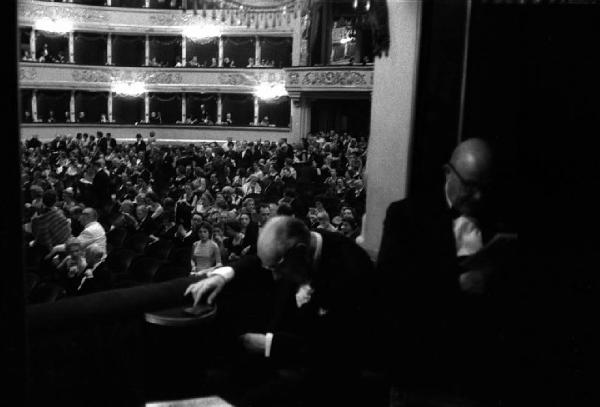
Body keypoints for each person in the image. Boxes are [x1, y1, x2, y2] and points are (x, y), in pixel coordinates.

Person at [184, 216, 378, 406]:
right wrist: (222, 276)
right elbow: (259, 260)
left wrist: (268, 344)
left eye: (277, 268)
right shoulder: (303, 241)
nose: (275, 277)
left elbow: (334, 345)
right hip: (287, 347)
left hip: (324, 372)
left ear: (299, 252)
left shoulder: (351, 272)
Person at [376, 138, 511, 402]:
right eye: (470, 187)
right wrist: (457, 284)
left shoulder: (498, 217)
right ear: (448, 173)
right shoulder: (407, 216)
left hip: (479, 370)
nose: (479, 196)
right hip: (421, 367)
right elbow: (389, 287)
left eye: (484, 188)